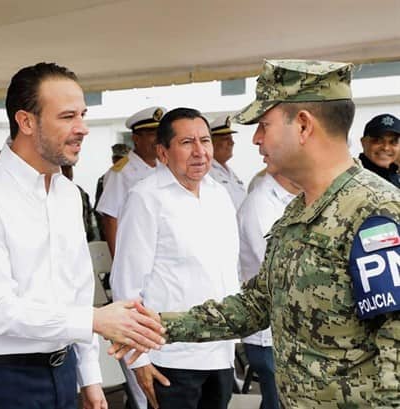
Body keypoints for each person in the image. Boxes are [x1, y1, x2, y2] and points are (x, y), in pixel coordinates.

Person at [113, 59, 400, 408]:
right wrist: (157, 326)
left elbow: (394, 352)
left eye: (264, 124)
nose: (256, 138)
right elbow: (258, 303)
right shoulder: (300, 210)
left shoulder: (374, 210)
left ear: (304, 126)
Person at [0, 62, 165, 409]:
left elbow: (77, 290)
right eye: (67, 117)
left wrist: (90, 378)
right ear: (26, 121)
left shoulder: (68, 194)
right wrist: (95, 320)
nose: (83, 128)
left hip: (63, 369)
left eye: (82, 114)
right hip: (6, 378)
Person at [111, 108, 241, 409]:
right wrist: (139, 359)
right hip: (170, 358)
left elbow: (228, 274)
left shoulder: (219, 195)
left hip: (220, 353)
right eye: (186, 143)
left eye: (205, 141)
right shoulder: (146, 198)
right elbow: (127, 287)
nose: (200, 151)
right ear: (163, 152)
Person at [236, 163, 300, 409]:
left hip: (290, 333)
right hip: (270, 335)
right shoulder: (260, 204)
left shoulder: (297, 198)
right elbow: (281, 269)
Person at [96, 106, 166, 256]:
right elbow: (110, 218)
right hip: (135, 251)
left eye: (160, 134)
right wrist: (118, 261)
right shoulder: (121, 172)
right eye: (152, 134)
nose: (158, 139)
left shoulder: (164, 168)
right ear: (136, 138)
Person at [93, 143, 131, 241]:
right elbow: (101, 210)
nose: (118, 161)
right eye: (116, 158)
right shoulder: (105, 179)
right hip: (112, 230)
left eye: (121, 159)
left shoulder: (132, 177)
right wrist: (104, 233)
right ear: (113, 159)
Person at [208, 115, 246, 209]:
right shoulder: (207, 172)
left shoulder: (230, 172)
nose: (232, 143)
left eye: (231, 138)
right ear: (212, 143)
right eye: (226, 139)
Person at [359, 113, 400, 188]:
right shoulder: (354, 178)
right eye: (377, 141)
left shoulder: (396, 176)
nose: (386, 148)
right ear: (363, 142)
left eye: (393, 142)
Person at [61, 164, 96, 241]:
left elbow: (88, 215)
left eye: (69, 168)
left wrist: (90, 237)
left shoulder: (80, 192)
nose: (68, 172)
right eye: (64, 169)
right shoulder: (51, 192)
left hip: (83, 241)